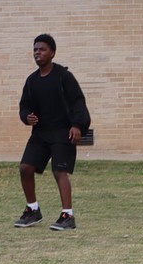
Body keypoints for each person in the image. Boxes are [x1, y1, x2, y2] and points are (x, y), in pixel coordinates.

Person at [13, 34, 91, 231]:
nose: (37, 52)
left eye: (42, 49)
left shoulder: (64, 77)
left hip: (63, 133)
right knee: (25, 168)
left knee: (59, 172)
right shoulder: (32, 81)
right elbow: (24, 106)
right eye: (35, 49)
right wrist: (26, 116)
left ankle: (67, 216)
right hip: (40, 134)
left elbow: (78, 102)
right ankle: (33, 210)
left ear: (52, 53)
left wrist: (77, 126)